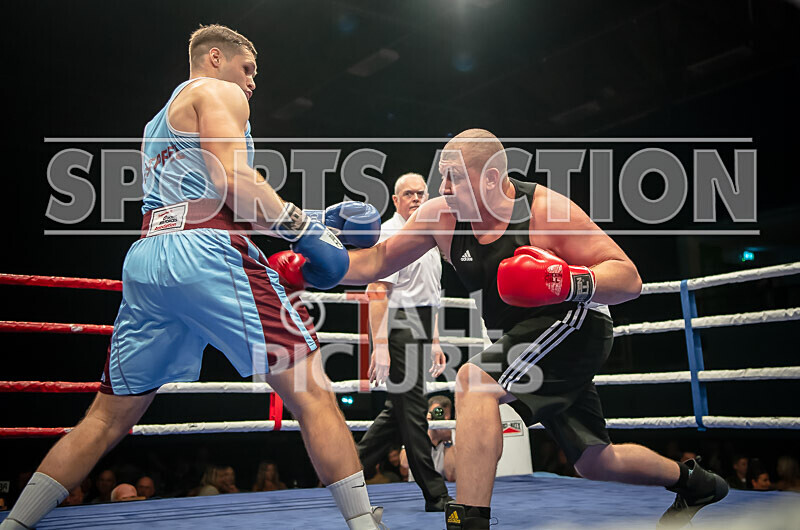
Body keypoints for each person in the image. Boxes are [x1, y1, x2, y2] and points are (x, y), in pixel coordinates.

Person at [0, 24, 385, 530]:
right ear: (216, 58)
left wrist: (306, 218)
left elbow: (212, 200)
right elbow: (236, 182)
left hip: (148, 260)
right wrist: (304, 228)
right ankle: (363, 523)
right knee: (312, 393)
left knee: (105, 418)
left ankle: (14, 523)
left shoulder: (157, 124)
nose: (252, 84)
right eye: (248, 69)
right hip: (204, 255)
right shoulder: (219, 91)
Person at [341, 129, 729, 529]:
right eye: (443, 175)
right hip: (524, 339)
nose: (442, 187)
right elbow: (374, 264)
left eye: (454, 176)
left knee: (475, 383)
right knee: (595, 461)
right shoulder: (441, 217)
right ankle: (694, 482)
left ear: (490, 178)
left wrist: (567, 280)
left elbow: (629, 279)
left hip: (574, 323)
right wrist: (315, 252)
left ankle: (468, 523)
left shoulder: (544, 211)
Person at [356, 173, 453, 512]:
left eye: (420, 193)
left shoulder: (430, 234)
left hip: (420, 325)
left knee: (395, 413)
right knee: (412, 410)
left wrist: (435, 340)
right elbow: (378, 292)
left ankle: (347, 470)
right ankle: (436, 494)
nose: (415, 198)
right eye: (407, 193)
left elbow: (432, 292)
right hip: (398, 325)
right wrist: (379, 346)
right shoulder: (390, 233)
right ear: (396, 200)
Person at [402, 396, 457, 483]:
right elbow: (404, 463)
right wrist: (422, 435)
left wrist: (447, 441)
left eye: (446, 414)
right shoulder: (416, 430)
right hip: (416, 486)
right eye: (437, 412)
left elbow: (451, 476)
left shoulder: (454, 435)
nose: (444, 418)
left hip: (445, 487)